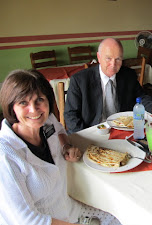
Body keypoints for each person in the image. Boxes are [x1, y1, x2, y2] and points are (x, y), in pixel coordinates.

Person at [0, 69, 122, 225]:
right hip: (49, 221)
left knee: (120, 219)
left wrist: (65, 146)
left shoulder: (47, 122)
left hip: (68, 209)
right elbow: (27, 221)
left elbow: (59, 129)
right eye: (23, 102)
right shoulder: (6, 155)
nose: (34, 109)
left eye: (39, 99)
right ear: (11, 106)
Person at [64, 38, 152, 133]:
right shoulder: (79, 80)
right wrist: (85, 136)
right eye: (108, 58)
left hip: (122, 129)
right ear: (99, 57)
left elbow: (141, 96)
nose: (113, 64)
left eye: (118, 59)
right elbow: (70, 115)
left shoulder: (128, 75)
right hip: (93, 131)